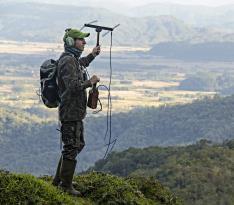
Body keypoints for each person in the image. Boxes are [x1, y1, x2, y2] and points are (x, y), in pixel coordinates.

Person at [52, 28, 100, 196]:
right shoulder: (67, 61)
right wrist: (90, 82)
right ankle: (65, 186)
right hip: (70, 112)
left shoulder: (73, 59)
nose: (84, 43)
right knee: (71, 146)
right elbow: (73, 86)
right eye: (81, 40)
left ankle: (59, 180)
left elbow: (82, 64)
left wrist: (92, 55)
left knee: (76, 145)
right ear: (71, 42)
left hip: (75, 113)